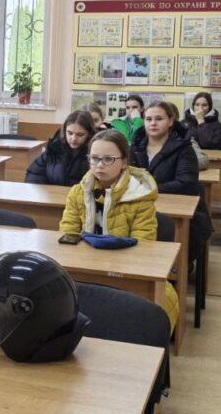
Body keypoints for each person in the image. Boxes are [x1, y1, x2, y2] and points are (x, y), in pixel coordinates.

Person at [59, 129, 178, 327]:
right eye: (94, 158)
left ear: (124, 162)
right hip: (84, 265)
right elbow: (67, 233)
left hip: (125, 269)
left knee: (160, 301)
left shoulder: (140, 196)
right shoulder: (77, 192)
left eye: (108, 159)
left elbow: (144, 244)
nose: (99, 165)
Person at [129, 101, 213, 264]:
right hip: (142, 205)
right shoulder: (137, 146)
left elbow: (186, 183)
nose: (153, 123)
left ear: (170, 121)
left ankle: (177, 266)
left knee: (175, 237)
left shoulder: (184, 147)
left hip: (179, 209)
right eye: (148, 119)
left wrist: (148, 190)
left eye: (159, 119)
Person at [25, 110, 94, 186]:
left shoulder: (96, 153)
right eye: (70, 133)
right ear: (64, 131)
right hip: (53, 193)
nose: (74, 138)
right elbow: (34, 173)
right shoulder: (54, 148)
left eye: (80, 135)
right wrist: (44, 190)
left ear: (89, 134)